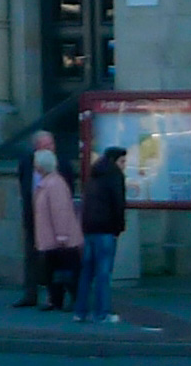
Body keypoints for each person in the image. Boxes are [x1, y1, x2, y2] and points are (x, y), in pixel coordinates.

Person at [15, 130, 74, 308]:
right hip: (32, 216)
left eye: (51, 144)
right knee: (31, 256)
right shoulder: (26, 163)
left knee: (53, 258)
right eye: (46, 145)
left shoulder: (62, 164)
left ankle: (54, 296)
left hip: (53, 219)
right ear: (37, 147)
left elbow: (68, 191)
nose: (50, 148)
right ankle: (30, 294)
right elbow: (24, 187)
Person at [75, 146, 126, 323]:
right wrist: (118, 228)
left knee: (87, 272)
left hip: (89, 229)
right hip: (106, 229)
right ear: (114, 161)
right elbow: (118, 205)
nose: (124, 165)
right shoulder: (115, 176)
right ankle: (102, 313)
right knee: (104, 273)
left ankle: (80, 311)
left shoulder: (94, 176)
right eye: (122, 161)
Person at [32, 148, 83, 312]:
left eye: (36, 163)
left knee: (67, 271)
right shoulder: (47, 183)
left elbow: (60, 211)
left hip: (60, 238)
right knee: (53, 271)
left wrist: (62, 235)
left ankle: (74, 300)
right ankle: (55, 300)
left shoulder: (55, 184)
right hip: (50, 237)